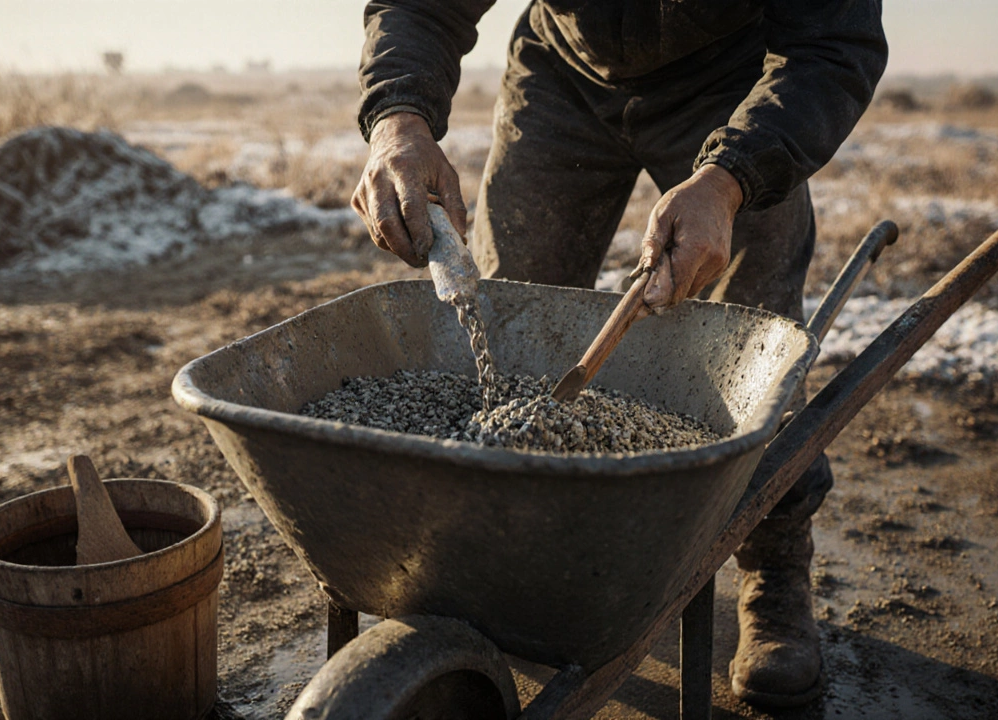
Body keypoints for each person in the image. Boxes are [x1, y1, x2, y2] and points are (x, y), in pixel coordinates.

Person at [351, 0, 887, 708]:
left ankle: (775, 565)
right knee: (511, 310)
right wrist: (398, 119)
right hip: (564, 73)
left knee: (752, 331)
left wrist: (730, 180)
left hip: (731, 83)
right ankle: (515, 555)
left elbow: (833, 43)